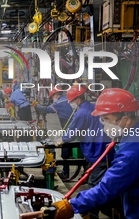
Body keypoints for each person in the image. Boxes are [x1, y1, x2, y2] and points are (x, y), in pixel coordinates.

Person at [52, 88, 139, 219]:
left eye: (107, 119)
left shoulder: (131, 153)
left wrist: (72, 206)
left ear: (126, 120)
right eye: (102, 120)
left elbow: (107, 188)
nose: (104, 125)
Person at [59, 85, 115, 219]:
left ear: (77, 99)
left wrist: (61, 139)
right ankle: (107, 209)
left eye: (72, 101)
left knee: (94, 184)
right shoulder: (94, 107)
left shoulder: (80, 113)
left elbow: (70, 135)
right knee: (104, 182)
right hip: (107, 151)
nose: (71, 104)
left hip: (97, 153)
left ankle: (94, 215)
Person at [32, 87, 74, 180]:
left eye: (52, 97)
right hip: (72, 126)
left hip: (69, 127)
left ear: (56, 95)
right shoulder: (66, 100)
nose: (52, 100)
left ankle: (65, 173)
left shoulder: (59, 103)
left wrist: (36, 106)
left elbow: (47, 109)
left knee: (65, 151)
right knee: (75, 151)